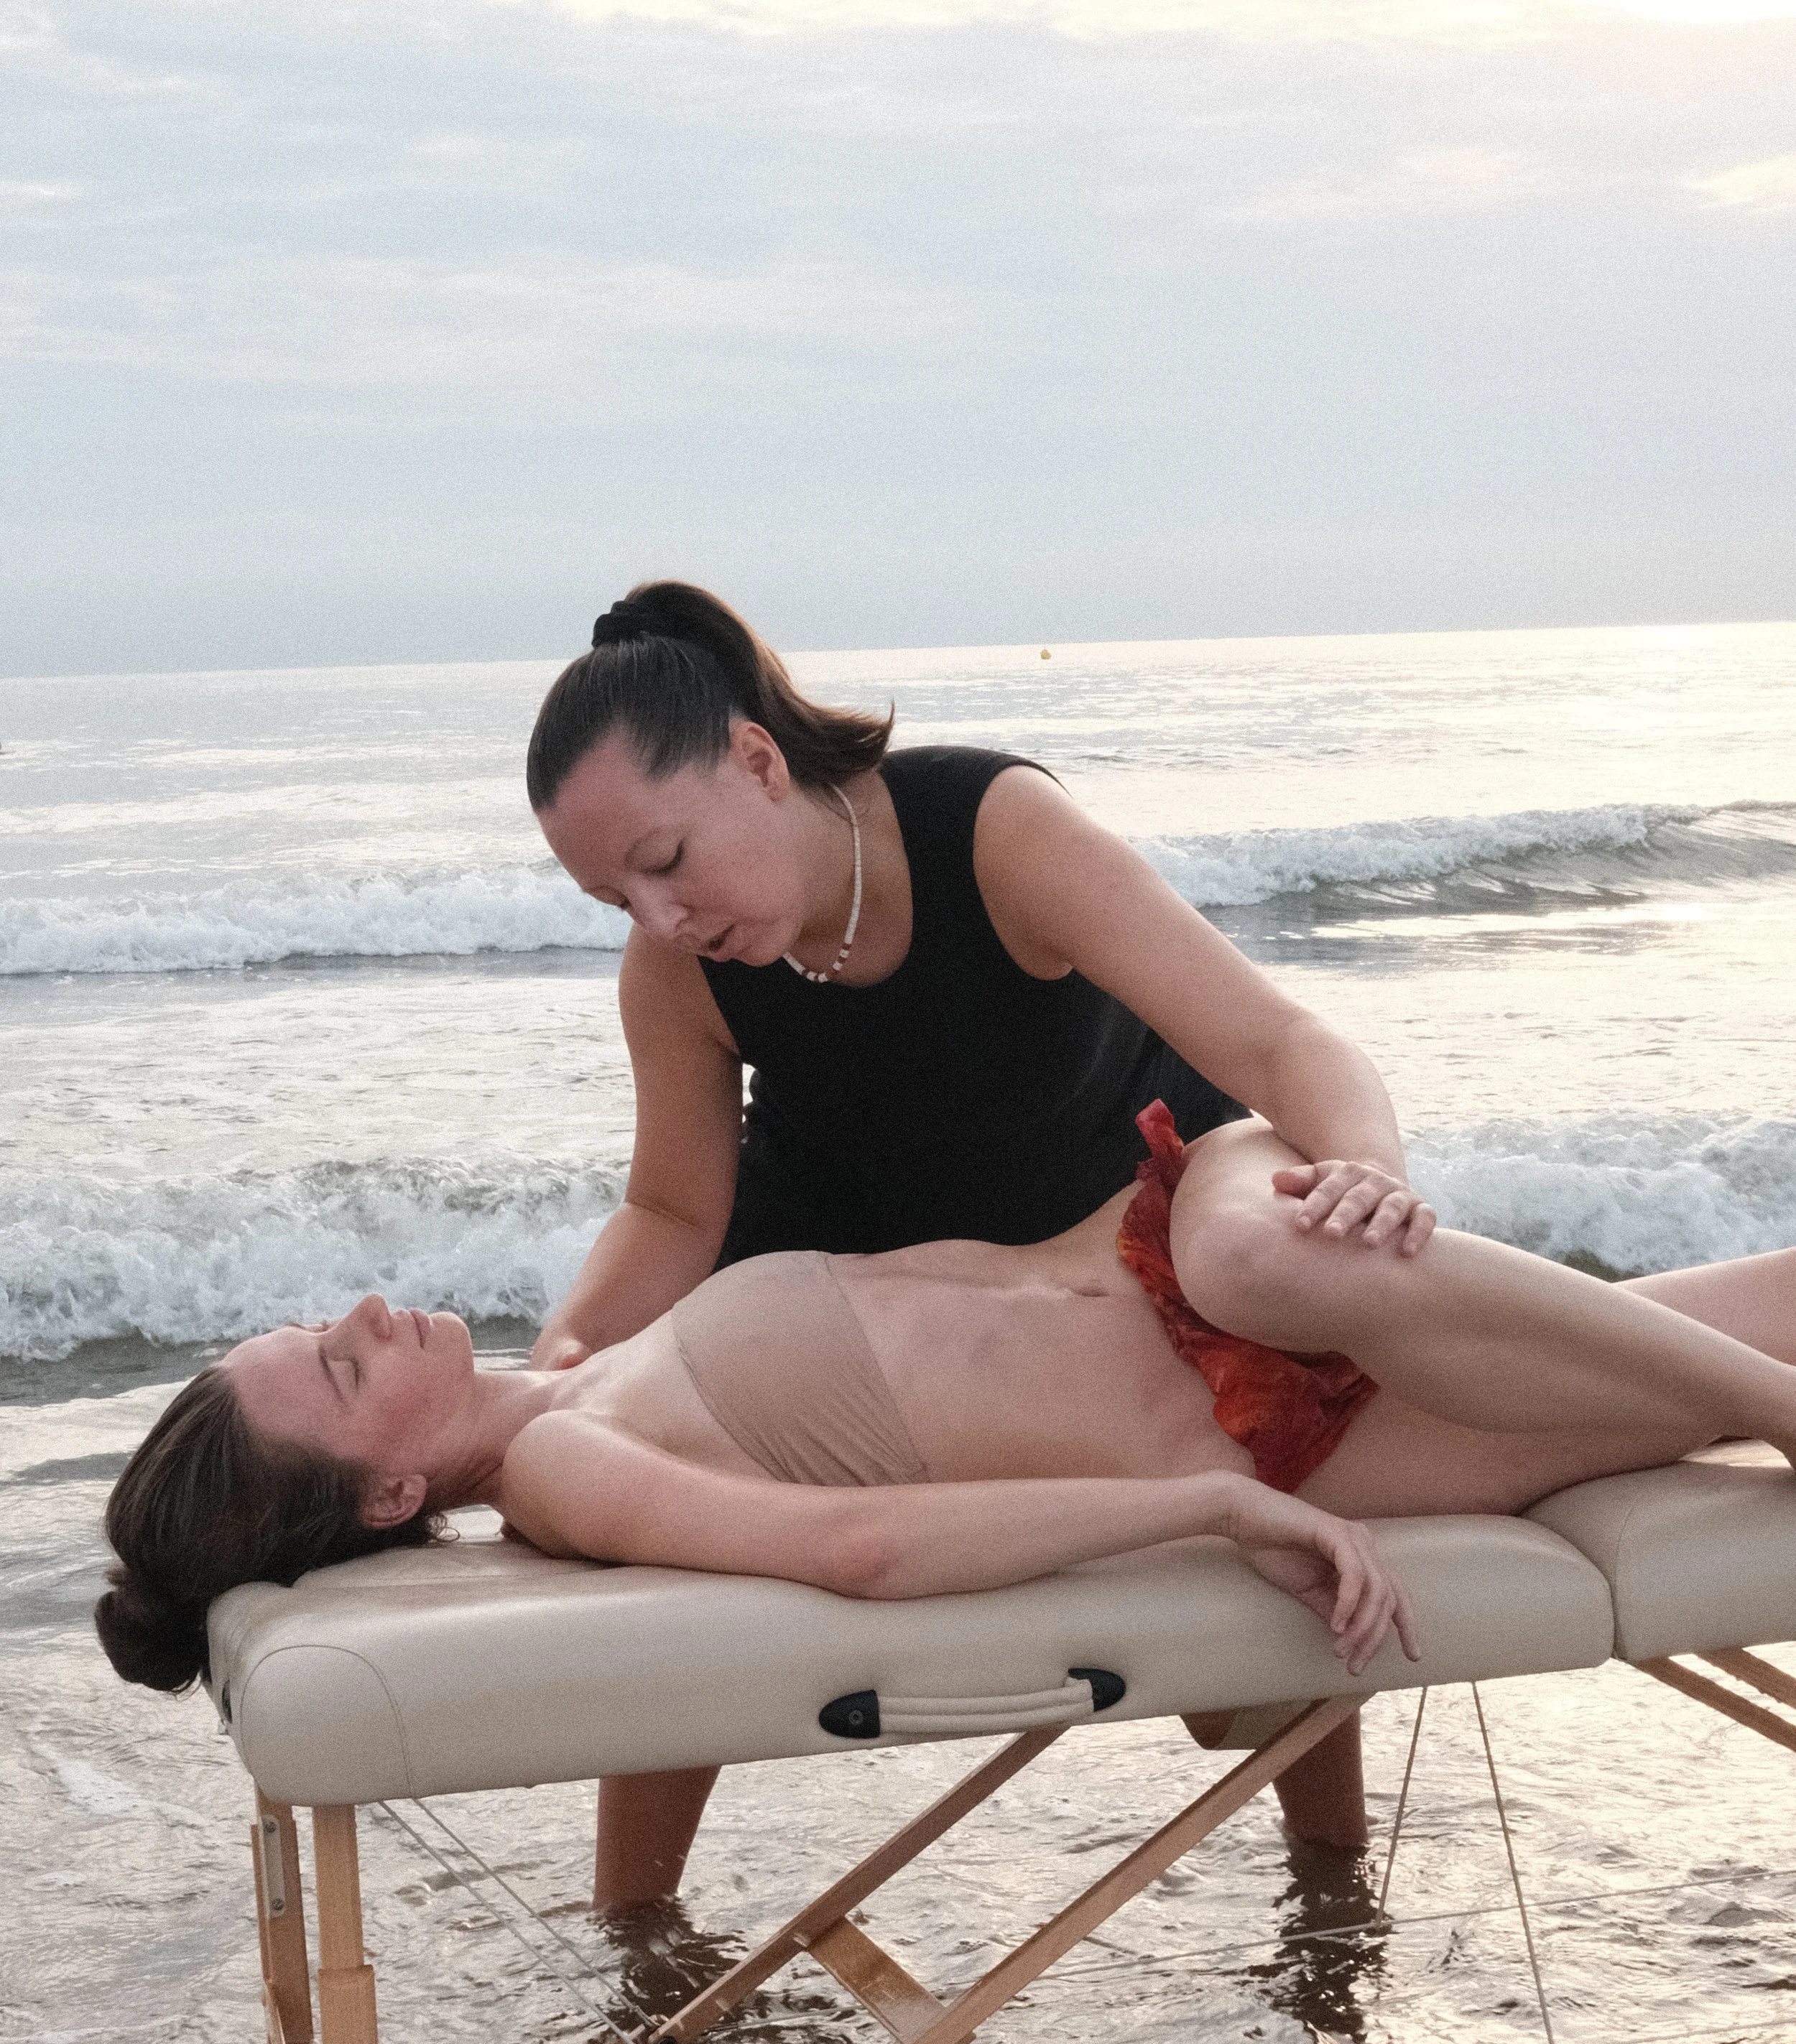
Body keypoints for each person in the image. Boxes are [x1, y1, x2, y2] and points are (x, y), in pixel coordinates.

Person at [98, 1112, 1796, 1859]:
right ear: (392, 1498)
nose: (368, 1313)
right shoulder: (565, 1470)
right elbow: (859, 1546)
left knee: (1716, 1327)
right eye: (339, 1368)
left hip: (1194, 1250)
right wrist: (1209, 1511)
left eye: (319, 1320)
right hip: (1281, 1420)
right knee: (1731, 1327)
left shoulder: (582, 1366)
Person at [522, 584, 1440, 1890]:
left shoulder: (997, 835)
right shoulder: (680, 968)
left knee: (1251, 1647)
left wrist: (1365, 1180)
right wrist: (575, 1342)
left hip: (1114, 1265)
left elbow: (1280, 1042)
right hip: (843, 1299)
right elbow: (675, 1207)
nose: (659, 919)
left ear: (758, 760)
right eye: (615, 898)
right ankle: (635, 1942)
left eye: (665, 862)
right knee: (679, 1614)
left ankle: (1333, 1899)